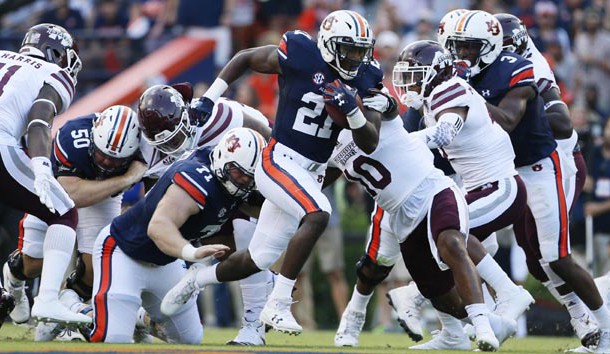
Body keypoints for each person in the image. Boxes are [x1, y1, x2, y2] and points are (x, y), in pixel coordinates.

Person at [160, 9, 385, 336]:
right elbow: (246, 57)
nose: (355, 57)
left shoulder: (366, 75)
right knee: (319, 213)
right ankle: (278, 303)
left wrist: (352, 113)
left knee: (257, 258)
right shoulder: (302, 54)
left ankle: (197, 279)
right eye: (348, 48)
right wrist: (209, 98)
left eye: (360, 49)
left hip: (312, 171)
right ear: (328, 44)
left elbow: (370, 141)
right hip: (279, 159)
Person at [446, 10, 610, 352]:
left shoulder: (521, 66)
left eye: (469, 48)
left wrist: (462, 91)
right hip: (502, 169)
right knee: (479, 238)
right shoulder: (466, 72)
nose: (462, 57)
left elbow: (508, 120)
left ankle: (606, 329)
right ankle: (505, 303)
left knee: (557, 255)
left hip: (541, 166)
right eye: (458, 48)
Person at [327, 82, 518, 351]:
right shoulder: (330, 145)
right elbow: (322, 175)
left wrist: (384, 105)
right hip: (400, 214)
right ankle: (486, 326)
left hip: (431, 190)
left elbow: (390, 108)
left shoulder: (375, 112)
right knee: (436, 291)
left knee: (452, 244)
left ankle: (487, 327)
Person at [90, 127, 265, 343]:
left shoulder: (232, 175)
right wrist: (191, 252)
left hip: (165, 261)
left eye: (250, 178)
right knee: (112, 339)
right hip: (124, 252)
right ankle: (77, 314)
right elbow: (158, 227)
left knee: (189, 339)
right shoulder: (197, 179)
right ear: (222, 158)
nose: (244, 182)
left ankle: (138, 319)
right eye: (239, 174)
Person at [137, 83, 275, 345]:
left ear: (185, 118)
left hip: (252, 169)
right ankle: (267, 283)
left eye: (176, 139)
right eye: (165, 143)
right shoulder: (148, 152)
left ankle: (254, 321)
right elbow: (156, 207)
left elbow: (267, 136)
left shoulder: (216, 117)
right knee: (222, 251)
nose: (174, 147)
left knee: (247, 234)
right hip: (212, 188)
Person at [496, 13, 599, 347]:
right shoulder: (502, 66)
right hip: (526, 168)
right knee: (533, 258)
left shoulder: (532, 68)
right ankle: (582, 309)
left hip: (561, 164)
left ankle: (589, 317)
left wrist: (516, 110)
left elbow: (562, 122)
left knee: (553, 254)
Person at [2, 105, 145, 339]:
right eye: (101, 156)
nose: (106, 164)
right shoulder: (74, 134)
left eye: (115, 160)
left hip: (104, 198)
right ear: (93, 139)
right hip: (55, 189)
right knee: (34, 263)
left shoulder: (144, 146)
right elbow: (72, 195)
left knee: (95, 269)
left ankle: (63, 312)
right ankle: (15, 278)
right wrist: (127, 177)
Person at [0, 23, 90, 326]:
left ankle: (7, 291)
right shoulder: (54, 74)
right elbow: (39, 119)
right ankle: (48, 300)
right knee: (63, 211)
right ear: (57, 53)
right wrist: (41, 165)